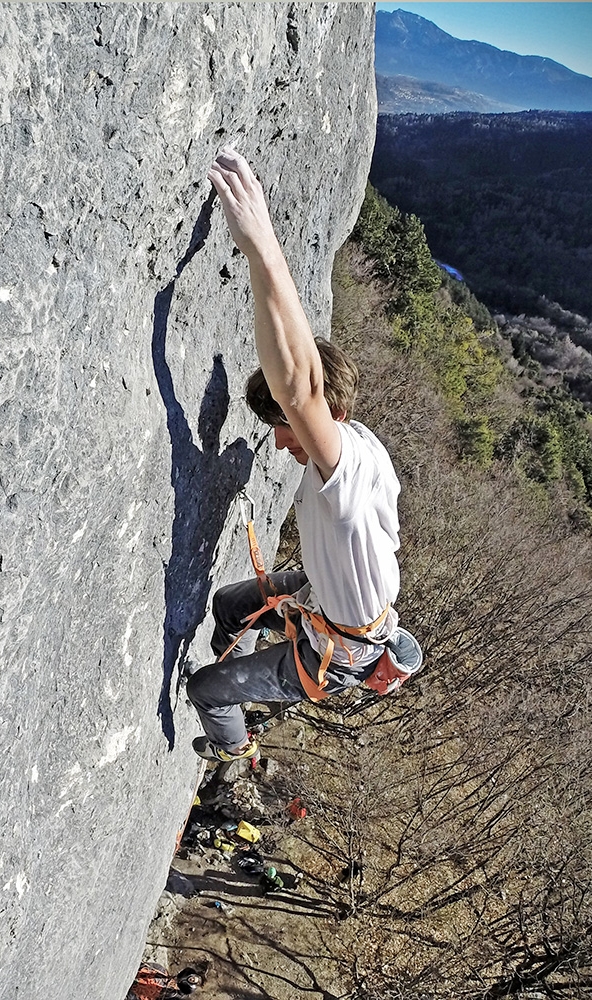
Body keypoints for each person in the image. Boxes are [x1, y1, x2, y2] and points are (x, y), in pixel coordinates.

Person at [186, 148, 421, 763]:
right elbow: (307, 377)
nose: (282, 441)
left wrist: (261, 247)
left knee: (206, 690)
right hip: (332, 599)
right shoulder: (361, 446)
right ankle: (234, 653)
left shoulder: (343, 474)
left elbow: (300, 385)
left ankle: (234, 755)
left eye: (287, 429)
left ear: (324, 419)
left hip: (335, 650)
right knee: (229, 605)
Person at [125, 961, 204, 1000]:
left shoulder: (172, 995)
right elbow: (137, 964)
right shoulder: (160, 970)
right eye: (192, 978)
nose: (192, 979)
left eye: (192, 980)